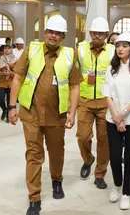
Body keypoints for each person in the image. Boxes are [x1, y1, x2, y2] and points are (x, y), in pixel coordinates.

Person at [7, 15, 81, 215]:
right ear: (44, 32)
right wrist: (11, 106)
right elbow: (18, 77)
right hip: (30, 113)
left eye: (58, 33)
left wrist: (72, 113)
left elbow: (75, 86)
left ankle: (57, 180)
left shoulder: (69, 55)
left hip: (57, 115)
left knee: (57, 152)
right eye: (50, 32)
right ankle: (34, 197)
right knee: (33, 155)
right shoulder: (32, 49)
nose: (53, 36)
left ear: (63, 36)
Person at [103, 32, 130, 211]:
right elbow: (107, 94)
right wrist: (116, 117)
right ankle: (116, 184)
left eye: (124, 45)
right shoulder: (111, 69)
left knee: (129, 158)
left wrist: (122, 115)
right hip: (112, 119)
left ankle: (126, 193)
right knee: (114, 156)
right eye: (118, 45)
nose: (120, 48)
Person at [74, 17, 114, 189]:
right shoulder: (80, 48)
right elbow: (73, 74)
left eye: (101, 33)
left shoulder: (113, 50)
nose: (97, 36)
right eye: (94, 33)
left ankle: (100, 173)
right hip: (85, 100)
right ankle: (88, 159)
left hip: (105, 101)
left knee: (104, 140)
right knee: (82, 136)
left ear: (106, 35)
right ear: (90, 33)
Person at [0, 44, 16, 122]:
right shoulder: (0, 58)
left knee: (9, 100)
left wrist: (10, 73)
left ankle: (8, 115)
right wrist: (2, 73)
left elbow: (17, 72)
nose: (7, 50)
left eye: (8, 48)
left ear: (11, 50)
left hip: (11, 83)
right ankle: (4, 109)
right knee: (0, 99)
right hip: (2, 82)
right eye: (5, 48)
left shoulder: (15, 59)